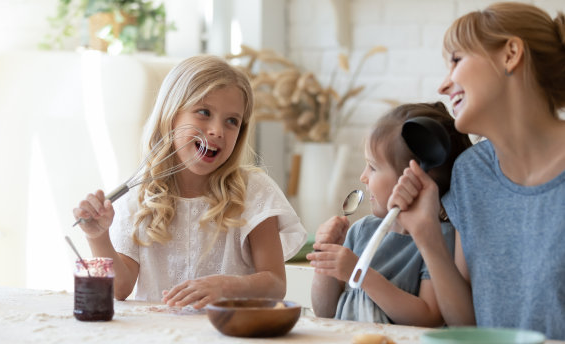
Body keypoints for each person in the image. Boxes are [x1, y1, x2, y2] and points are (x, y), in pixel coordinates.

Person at [387, 2, 565, 339]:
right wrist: (426, 235)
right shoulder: (471, 175)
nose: (442, 85)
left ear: (511, 53)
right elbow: (466, 325)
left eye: (455, 60)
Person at [72, 55, 307, 309]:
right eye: (204, 113)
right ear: (170, 116)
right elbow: (120, 288)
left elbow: (274, 284)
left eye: (232, 121)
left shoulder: (253, 191)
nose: (217, 130)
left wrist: (226, 286)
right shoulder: (140, 196)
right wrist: (98, 238)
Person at [307, 102, 472, 326]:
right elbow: (325, 311)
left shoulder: (439, 240)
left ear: (413, 179)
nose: (363, 177)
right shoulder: (361, 231)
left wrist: (361, 274)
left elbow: (429, 317)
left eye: (373, 167)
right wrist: (325, 259)